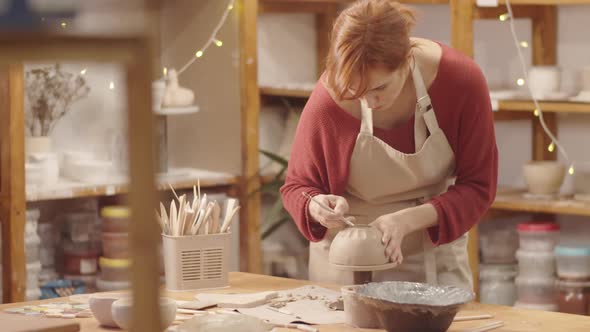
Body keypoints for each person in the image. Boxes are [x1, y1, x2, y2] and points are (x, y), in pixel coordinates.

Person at [280, 0, 498, 290]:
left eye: (379, 88)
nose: (370, 102)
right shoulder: (328, 101)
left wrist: (407, 221)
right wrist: (315, 206)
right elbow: (296, 186)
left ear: (408, 60)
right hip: (346, 265)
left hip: (429, 259)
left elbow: (480, 186)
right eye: (355, 92)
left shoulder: (461, 82)